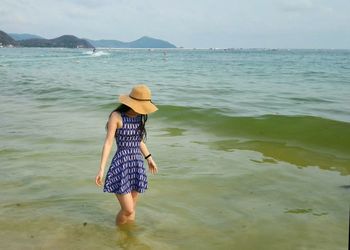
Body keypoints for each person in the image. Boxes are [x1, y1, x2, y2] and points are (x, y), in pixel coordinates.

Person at [95, 84, 158, 225]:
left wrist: (149, 158)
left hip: (136, 164)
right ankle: (118, 233)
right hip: (122, 165)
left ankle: (127, 238)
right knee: (128, 210)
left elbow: (139, 141)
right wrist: (101, 169)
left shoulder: (139, 117)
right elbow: (108, 143)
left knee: (132, 209)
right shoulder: (116, 116)